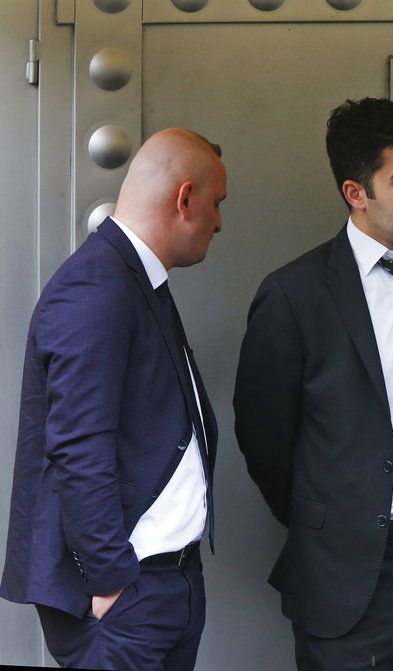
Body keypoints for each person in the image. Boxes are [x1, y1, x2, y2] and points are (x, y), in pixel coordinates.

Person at [234, 97, 393, 670]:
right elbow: (265, 440)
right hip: (349, 576)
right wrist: (338, 519)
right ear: (357, 192)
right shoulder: (295, 295)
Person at [1, 128, 226, 670]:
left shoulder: (134, 279)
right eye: (216, 204)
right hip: (126, 598)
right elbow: (78, 447)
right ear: (184, 198)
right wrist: (110, 579)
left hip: (164, 584)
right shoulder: (98, 286)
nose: (219, 222)